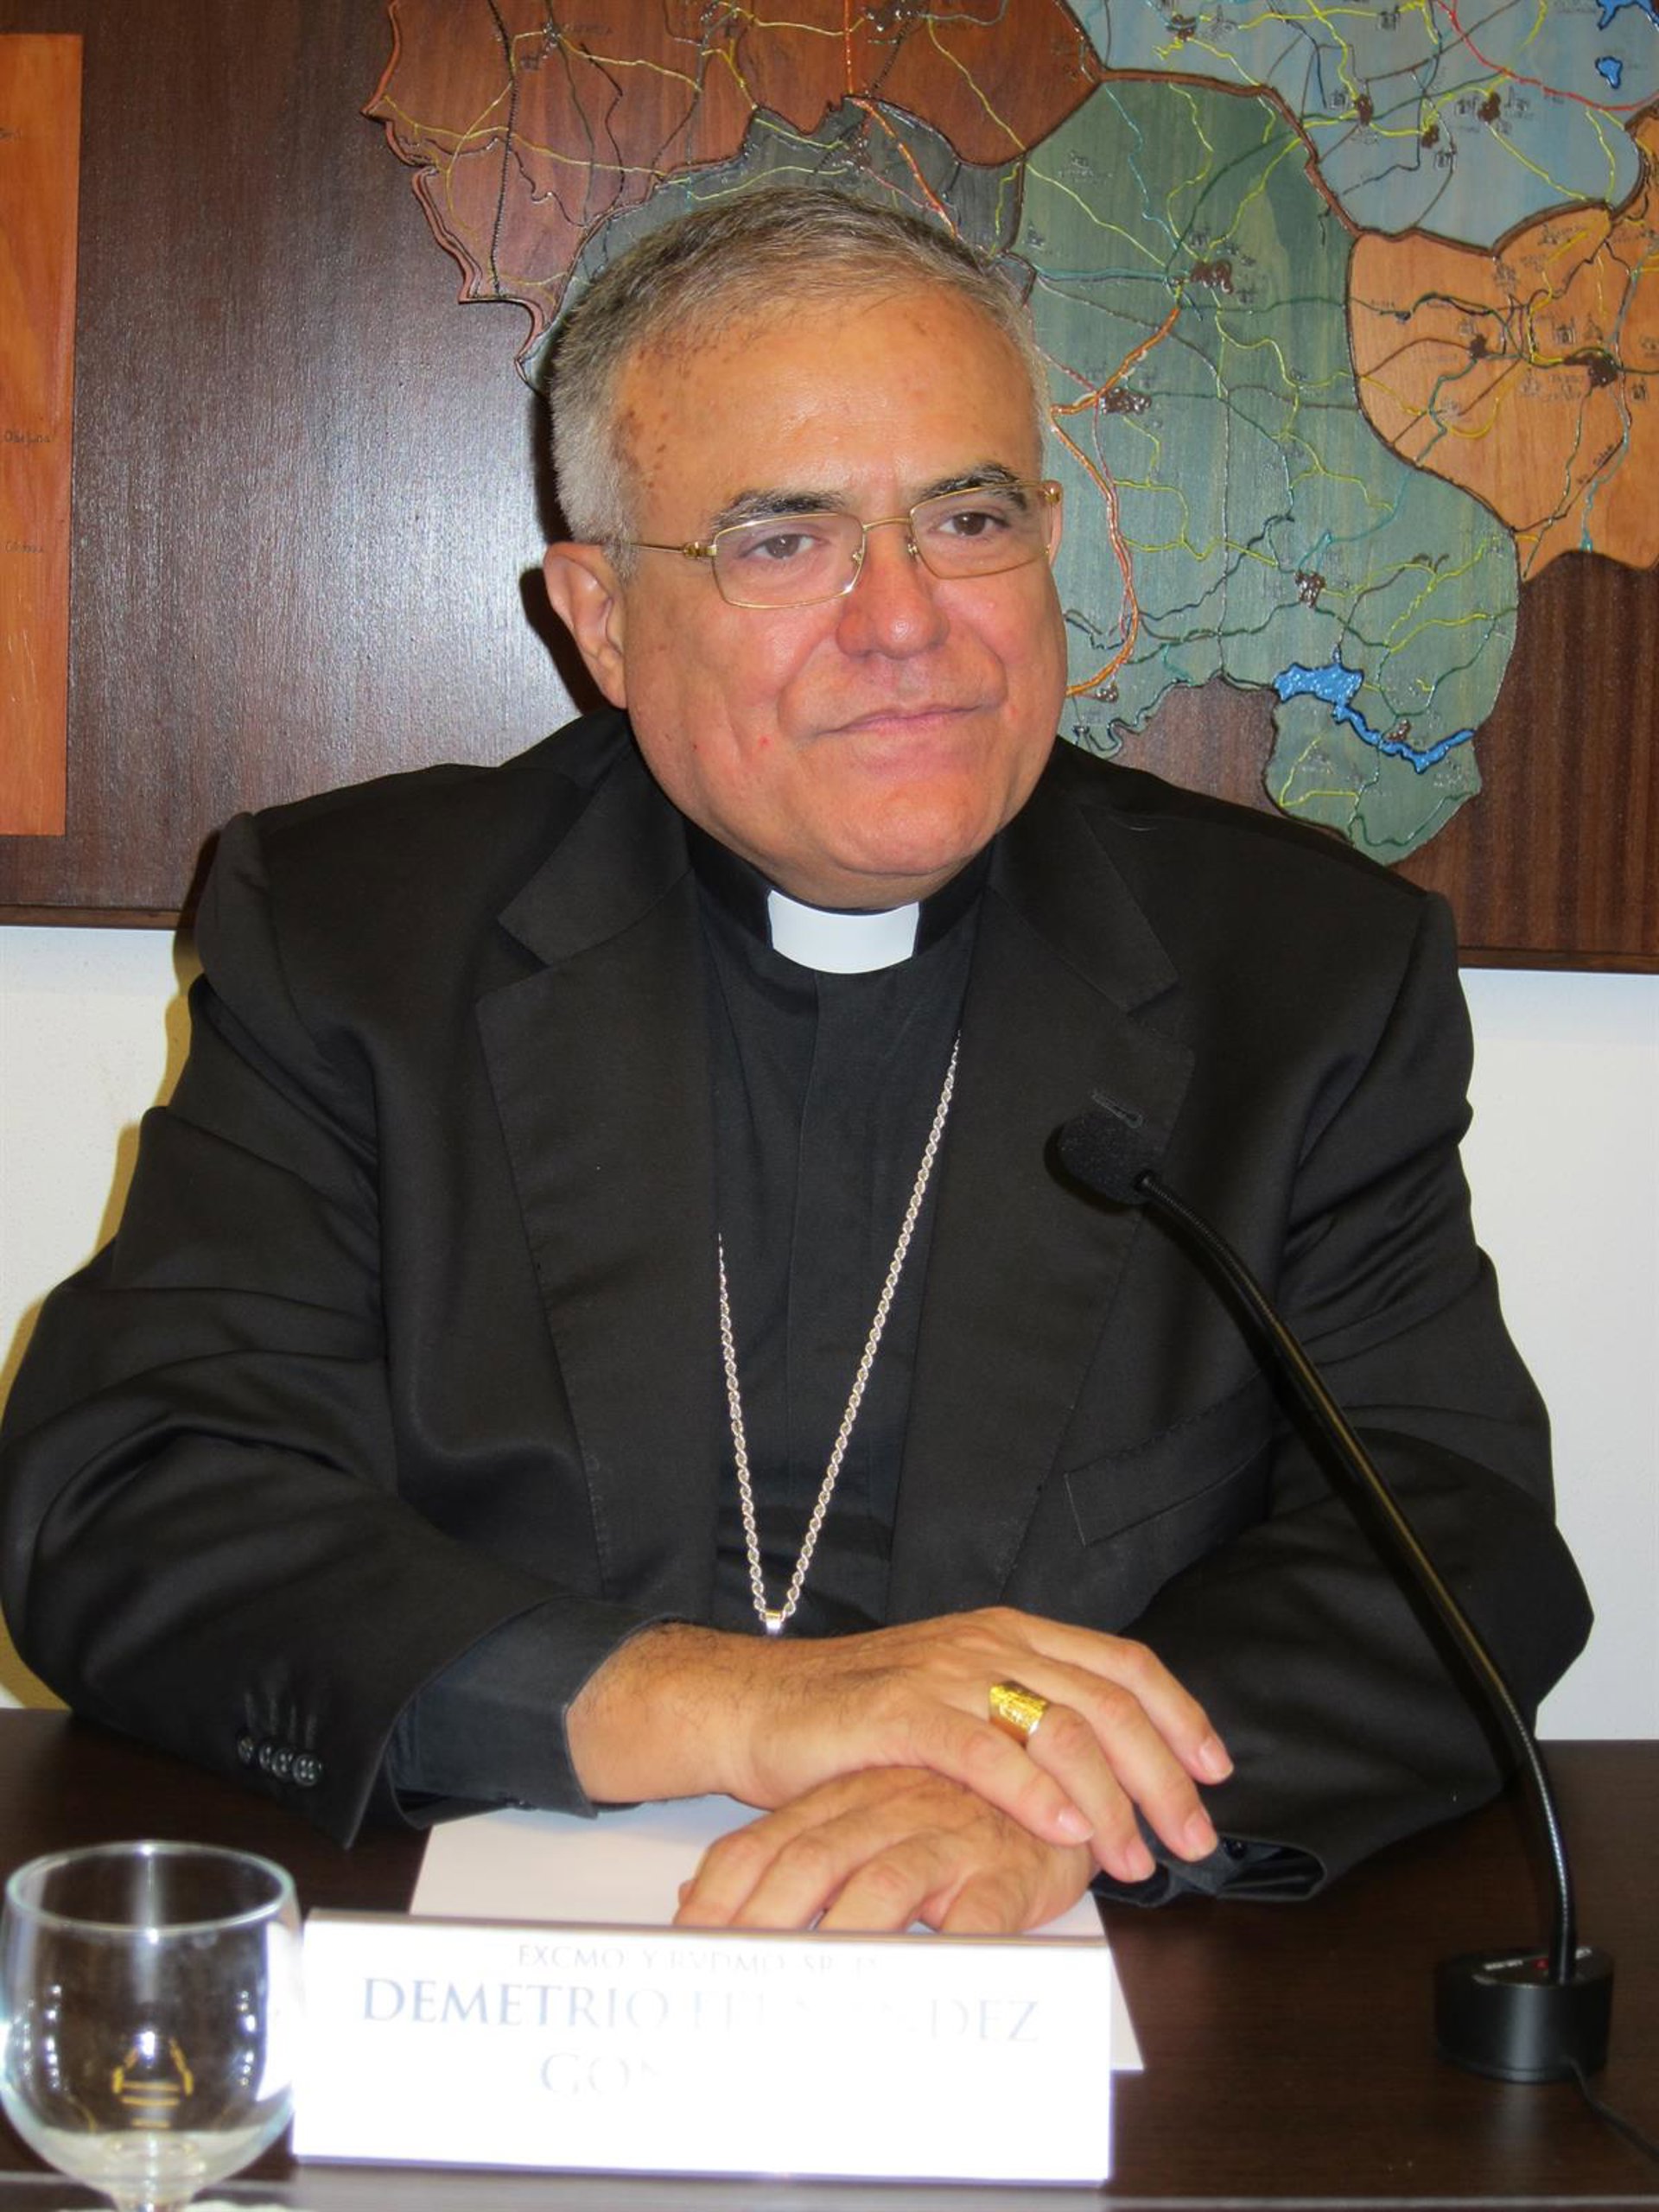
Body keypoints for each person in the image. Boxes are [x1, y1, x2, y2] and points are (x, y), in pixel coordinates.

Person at [0, 187, 1589, 1936]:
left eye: (969, 519)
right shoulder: (360, 939)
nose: (903, 618)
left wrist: (1038, 1782)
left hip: (1068, 1980)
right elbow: (133, 1500)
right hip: (484, 1963)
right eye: (782, 539)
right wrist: (733, 1705)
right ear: (602, 618)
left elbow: (1455, 1538)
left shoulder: (1297, 975)